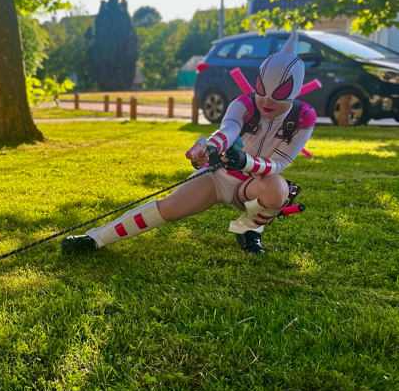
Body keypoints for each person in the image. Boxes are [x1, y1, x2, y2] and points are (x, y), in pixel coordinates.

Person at [62, 30, 316, 257]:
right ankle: (95, 238)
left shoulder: (304, 116)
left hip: (254, 185)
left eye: (280, 94)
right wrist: (212, 148)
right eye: (261, 89)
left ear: (295, 91)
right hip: (218, 177)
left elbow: (278, 163)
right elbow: (228, 129)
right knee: (169, 208)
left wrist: (245, 161)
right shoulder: (244, 103)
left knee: (277, 188)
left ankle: (248, 229)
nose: (266, 101)